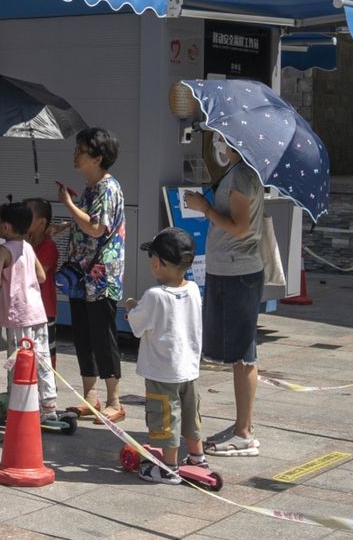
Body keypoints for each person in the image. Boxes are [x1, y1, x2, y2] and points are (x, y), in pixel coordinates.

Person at [185, 131, 266, 457]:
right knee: (236, 351)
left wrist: (205, 208)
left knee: (244, 351)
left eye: (222, 136)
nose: (218, 140)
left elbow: (240, 227)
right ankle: (241, 427)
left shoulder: (243, 176)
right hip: (229, 270)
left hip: (239, 271)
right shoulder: (236, 173)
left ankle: (244, 432)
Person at [56, 126, 127, 424]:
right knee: (83, 335)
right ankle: (91, 396)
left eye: (81, 151)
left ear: (96, 158)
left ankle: (114, 401)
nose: (75, 155)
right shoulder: (91, 187)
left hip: (101, 276)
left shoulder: (108, 188)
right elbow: (87, 224)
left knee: (103, 334)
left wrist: (69, 205)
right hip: (82, 276)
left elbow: (98, 228)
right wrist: (65, 223)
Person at [124, 227, 206, 483]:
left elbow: (137, 326)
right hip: (189, 368)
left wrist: (130, 307)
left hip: (162, 370)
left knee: (166, 416)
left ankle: (168, 467)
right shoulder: (193, 288)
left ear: (158, 263)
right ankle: (197, 457)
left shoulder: (154, 296)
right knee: (191, 413)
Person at [0, 202, 60, 425]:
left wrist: (4, 275)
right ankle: (49, 407)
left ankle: (18, 405)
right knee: (42, 359)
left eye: (0, 222)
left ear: (7, 227)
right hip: (38, 313)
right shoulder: (28, 248)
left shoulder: (3, 250)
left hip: (18, 316)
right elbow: (41, 276)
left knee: (18, 360)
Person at [24, 196, 60, 372]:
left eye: (27, 215)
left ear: (41, 222)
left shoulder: (48, 246)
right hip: (27, 309)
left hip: (45, 310)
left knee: (45, 351)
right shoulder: (24, 243)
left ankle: (48, 389)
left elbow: (39, 274)